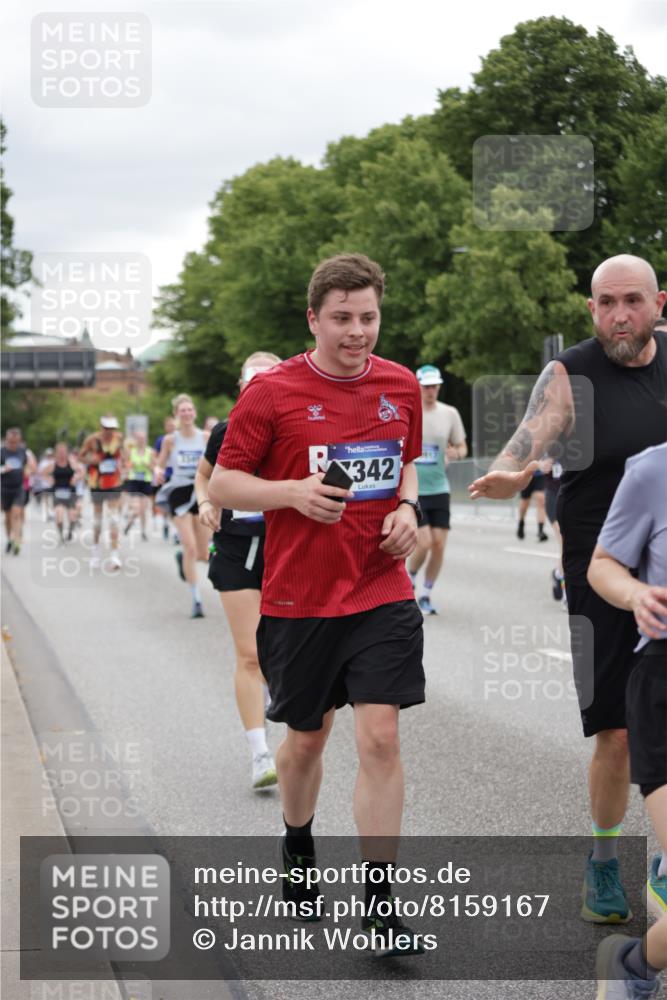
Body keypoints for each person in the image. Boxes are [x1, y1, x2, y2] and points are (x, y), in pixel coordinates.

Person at [209, 253, 426, 956]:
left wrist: (407, 505)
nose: (357, 332)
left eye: (368, 317)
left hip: (380, 587)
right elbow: (224, 486)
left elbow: (407, 461)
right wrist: (290, 494)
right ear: (313, 319)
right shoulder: (271, 392)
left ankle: (379, 905)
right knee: (306, 741)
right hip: (299, 599)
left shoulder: (398, 385)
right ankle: (298, 841)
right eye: (342, 318)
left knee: (381, 737)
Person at [469, 254, 667, 923]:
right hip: (601, 567)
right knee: (615, 731)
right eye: (606, 302)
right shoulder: (571, 373)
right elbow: (529, 435)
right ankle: (605, 859)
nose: (619, 315)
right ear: (590, 309)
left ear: (657, 302)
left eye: (632, 301)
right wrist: (506, 472)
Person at [587, 442, 667, 997]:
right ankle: (633, 966)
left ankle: (637, 962)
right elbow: (603, 564)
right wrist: (636, 592)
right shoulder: (653, 470)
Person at [195, 352, 281, 790]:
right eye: (253, 385)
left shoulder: (297, 431)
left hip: (289, 552)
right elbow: (204, 475)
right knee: (250, 655)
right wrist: (207, 502)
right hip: (237, 550)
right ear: (241, 387)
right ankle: (259, 753)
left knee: (281, 655)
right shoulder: (225, 432)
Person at [407, 364, 467, 615]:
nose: (431, 391)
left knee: (439, 545)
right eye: (426, 386)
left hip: (439, 487)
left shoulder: (449, 413)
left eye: (434, 386)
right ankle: (408, 578)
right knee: (425, 542)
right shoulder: (410, 411)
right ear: (418, 387)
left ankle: (427, 593)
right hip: (414, 488)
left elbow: (463, 447)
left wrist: (456, 453)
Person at [155, 395, 210, 618]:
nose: (186, 413)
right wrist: (158, 474)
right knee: (189, 546)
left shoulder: (205, 437)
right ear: (177, 415)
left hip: (199, 492)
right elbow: (159, 465)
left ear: (194, 413)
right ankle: (196, 599)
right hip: (178, 492)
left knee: (203, 552)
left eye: (190, 410)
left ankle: (182, 559)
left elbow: (216, 463)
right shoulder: (171, 440)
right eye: (182, 411)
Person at [79, 415, 125, 571]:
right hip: (96, 482)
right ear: (101, 427)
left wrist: (125, 464)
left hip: (113, 482)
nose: (109, 431)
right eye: (107, 428)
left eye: (112, 428)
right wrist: (92, 460)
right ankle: (96, 554)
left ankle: (114, 556)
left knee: (113, 519)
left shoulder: (119, 439)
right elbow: (81, 456)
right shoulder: (92, 440)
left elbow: (125, 456)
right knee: (98, 521)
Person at [1, 427, 36, 554]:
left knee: (17, 513)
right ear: (7, 439)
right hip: (4, 488)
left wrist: (29, 470)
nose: (13, 444)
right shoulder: (1, 452)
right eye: (11, 441)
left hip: (18, 487)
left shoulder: (23, 452)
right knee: (8, 517)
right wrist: (3, 469)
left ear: (19, 440)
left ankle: (16, 540)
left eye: (15, 441)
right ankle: (9, 539)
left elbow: (30, 466)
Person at [44, 442, 82, 543]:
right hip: (58, 493)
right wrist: (49, 479)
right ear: (56, 453)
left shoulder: (72, 463)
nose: (61, 454)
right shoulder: (53, 464)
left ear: (67, 452)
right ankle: (61, 535)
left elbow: (81, 472)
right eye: (59, 452)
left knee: (72, 516)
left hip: (71, 493)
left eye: (63, 452)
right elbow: (43, 473)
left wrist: (76, 478)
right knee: (59, 515)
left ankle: (70, 532)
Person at [122, 429, 155, 541]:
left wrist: (147, 465)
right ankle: (130, 522)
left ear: (145, 440)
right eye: (139, 439)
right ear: (136, 440)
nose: (141, 441)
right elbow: (126, 465)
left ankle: (143, 531)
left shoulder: (150, 451)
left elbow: (154, 467)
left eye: (143, 439)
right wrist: (132, 465)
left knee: (143, 510)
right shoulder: (131, 451)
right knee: (136, 508)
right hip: (134, 481)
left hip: (146, 481)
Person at [516, 466, 548, 541]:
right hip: (527, 474)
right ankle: (521, 523)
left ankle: (540, 531)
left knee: (541, 501)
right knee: (525, 503)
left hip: (540, 475)